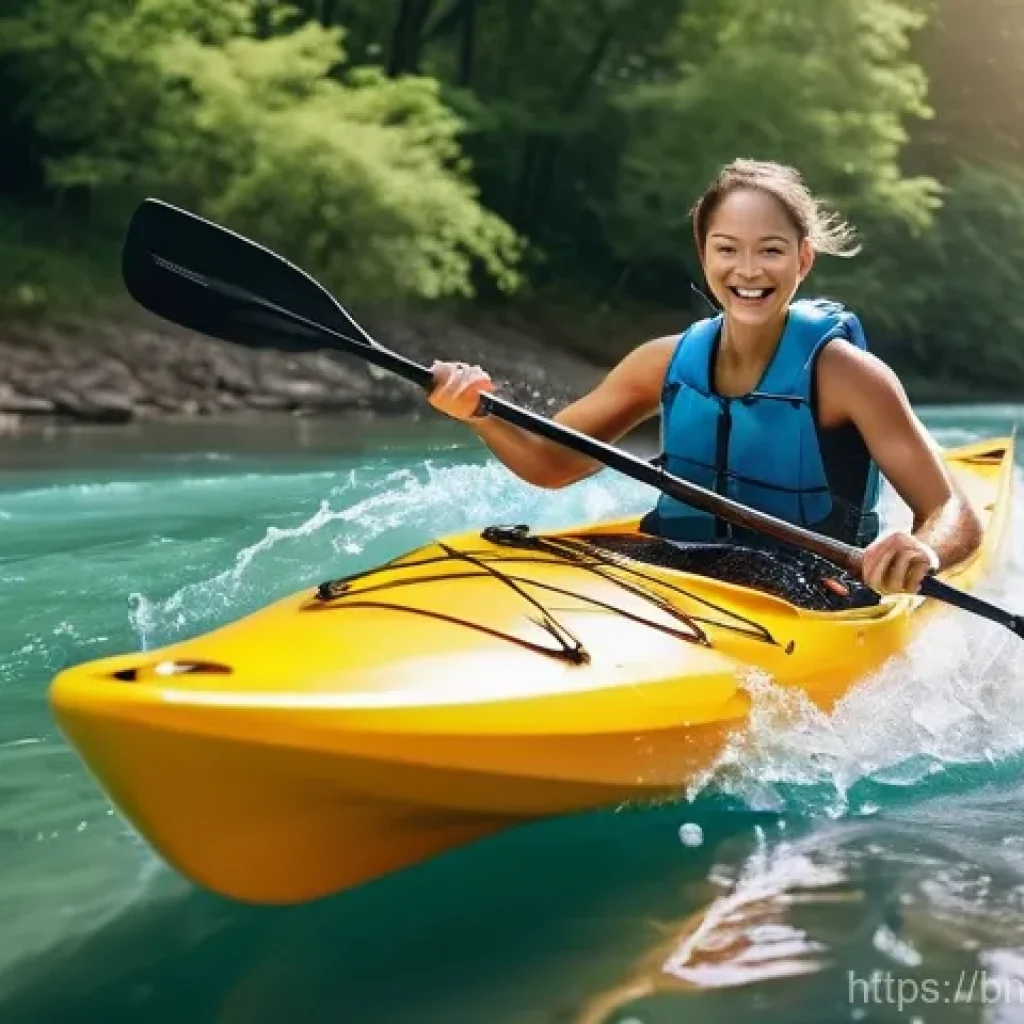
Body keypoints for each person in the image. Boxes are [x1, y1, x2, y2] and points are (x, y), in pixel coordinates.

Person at [427, 158, 982, 596]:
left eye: (771, 251)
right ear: (704, 255)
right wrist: (479, 414)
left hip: (813, 588)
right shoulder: (660, 363)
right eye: (727, 250)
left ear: (803, 260)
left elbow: (953, 513)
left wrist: (923, 551)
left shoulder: (849, 377)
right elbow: (552, 463)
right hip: (680, 571)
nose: (748, 270)